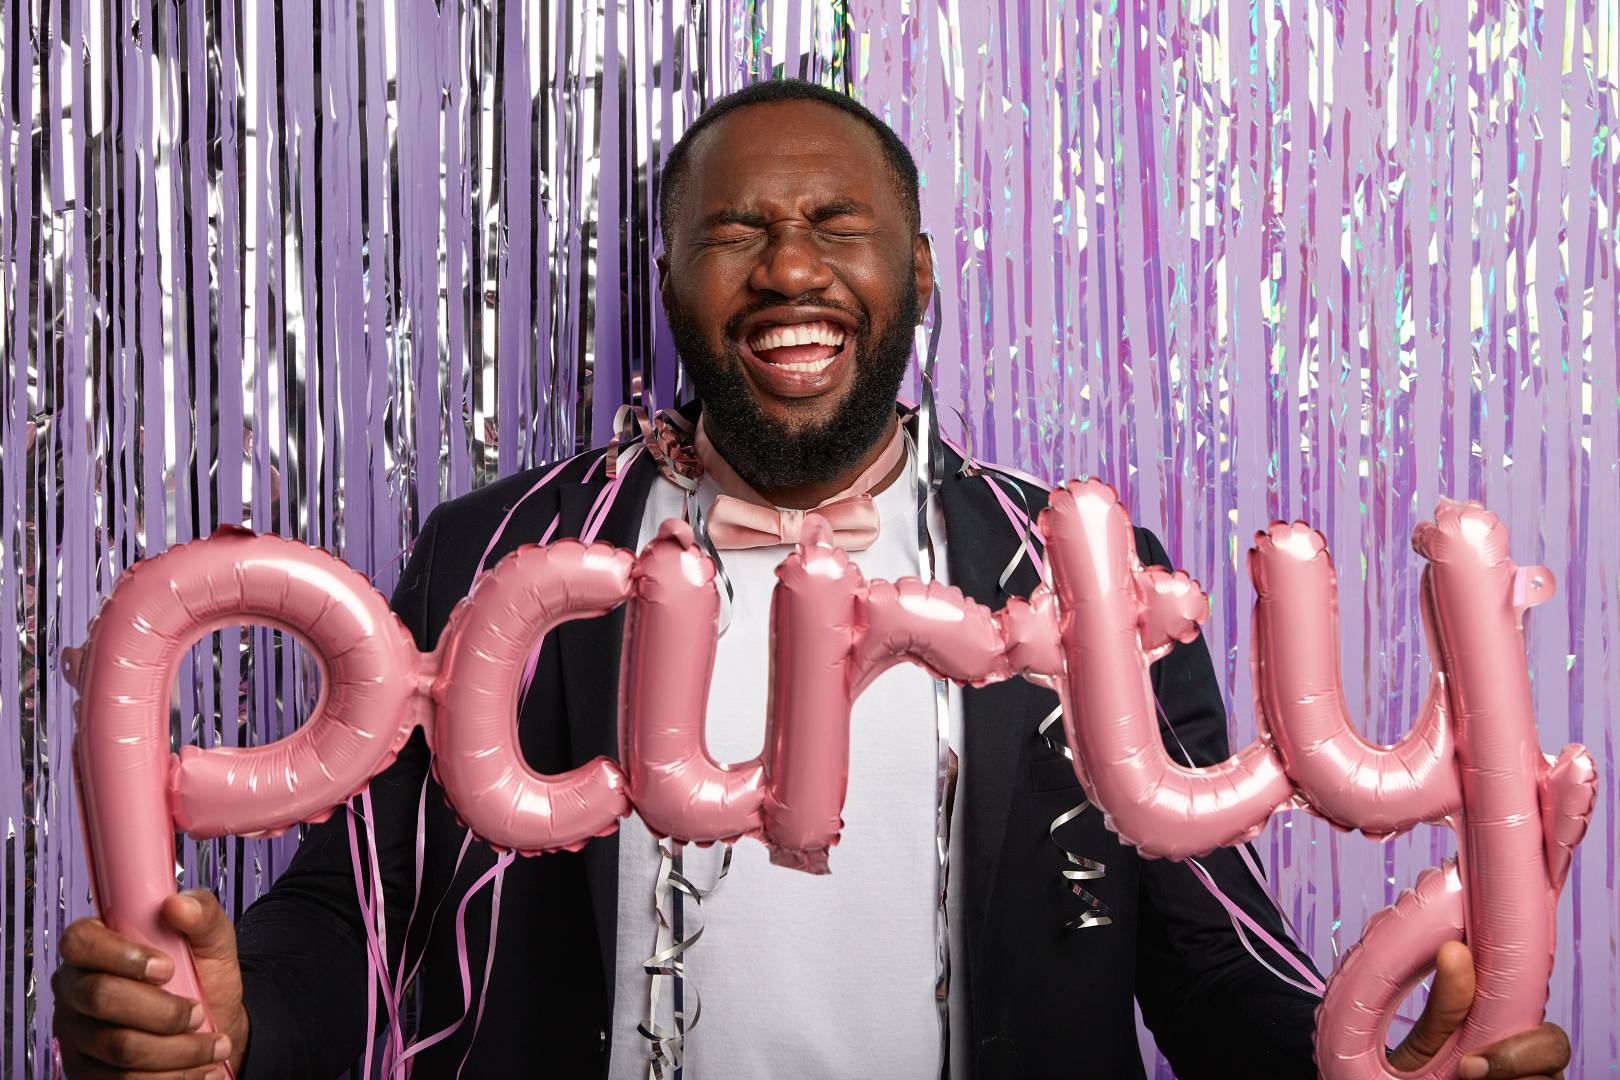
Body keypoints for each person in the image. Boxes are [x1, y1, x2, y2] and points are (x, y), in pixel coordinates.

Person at [52, 80, 1570, 1080]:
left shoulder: (1091, 574)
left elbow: (1212, 959)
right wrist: (223, 1018)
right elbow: (357, 913)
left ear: (916, 273)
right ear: (670, 286)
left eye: (840, 229)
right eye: (738, 231)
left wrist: (1368, 1059)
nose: (790, 270)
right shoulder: (498, 556)